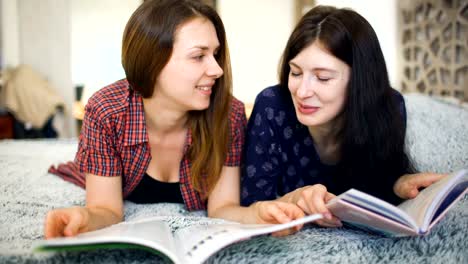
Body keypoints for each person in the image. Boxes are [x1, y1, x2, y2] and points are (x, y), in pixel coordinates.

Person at [45, 0, 304, 239]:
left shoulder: (229, 113)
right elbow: (106, 209)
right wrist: (84, 217)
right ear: (152, 61)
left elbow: (223, 207)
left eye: (215, 54)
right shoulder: (106, 112)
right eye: (198, 56)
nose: (217, 69)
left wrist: (256, 214)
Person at [241, 5, 445, 228]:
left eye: (323, 78)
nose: (302, 92)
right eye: (296, 73)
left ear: (360, 81)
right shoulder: (273, 106)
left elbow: (375, 184)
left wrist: (398, 185)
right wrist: (293, 200)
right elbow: (252, 203)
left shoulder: (389, 107)